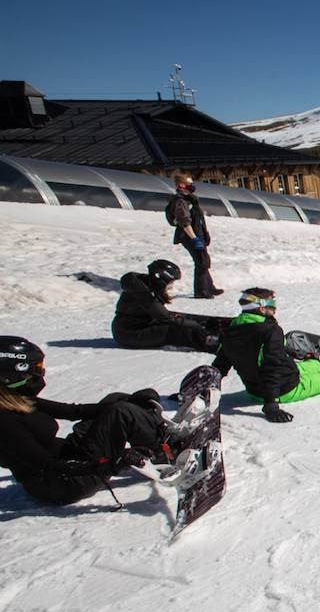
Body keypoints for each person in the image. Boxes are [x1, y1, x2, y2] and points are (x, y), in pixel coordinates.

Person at [0, 337, 170, 504]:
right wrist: (109, 464)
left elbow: (74, 411)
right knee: (120, 412)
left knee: (116, 400)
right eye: (36, 368)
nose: (40, 373)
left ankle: (163, 437)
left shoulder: (17, 399)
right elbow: (47, 465)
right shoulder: (5, 422)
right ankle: (167, 454)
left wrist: (134, 402)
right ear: (11, 374)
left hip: (69, 458)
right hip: (64, 482)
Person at [212, 289, 320, 423]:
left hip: (257, 389)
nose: (275, 309)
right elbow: (271, 367)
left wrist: (204, 393)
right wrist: (271, 405)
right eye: (272, 305)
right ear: (261, 308)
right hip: (285, 390)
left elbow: (220, 364)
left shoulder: (231, 329)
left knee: (303, 367)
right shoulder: (270, 331)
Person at [111, 260, 216, 351]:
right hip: (129, 334)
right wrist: (196, 326)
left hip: (140, 325)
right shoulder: (143, 292)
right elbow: (165, 317)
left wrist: (203, 321)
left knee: (180, 318)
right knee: (174, 329)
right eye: (170, 282)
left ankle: (218, 327)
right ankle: (216, 346)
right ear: (161, 280)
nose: (171, 286)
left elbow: (165, 315)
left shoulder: (146, 285)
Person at [169, 179, 222, 299]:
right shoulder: (180, 201)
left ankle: (209, 287)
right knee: (201, 262)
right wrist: (194, 238)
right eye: (189, 183)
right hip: (190, 236)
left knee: (203, 260)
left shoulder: (190, 199)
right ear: (182, 185)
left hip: (198, 234)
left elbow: (198, 219)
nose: (192, 185)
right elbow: (184, 221)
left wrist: (205, 233)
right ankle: (201, 292)